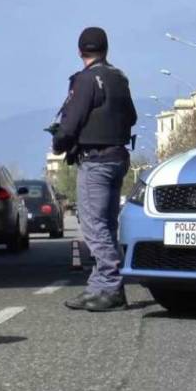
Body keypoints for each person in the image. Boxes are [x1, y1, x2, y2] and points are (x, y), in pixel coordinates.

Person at [51, 27, 137, 312]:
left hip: (95, 160)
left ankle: (110, 287)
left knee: (94, 226)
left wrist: (59, 142)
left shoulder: (85, 80)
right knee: (108, 226)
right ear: (106, 50)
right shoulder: (119, 78)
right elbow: (133, 116)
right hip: (119, 157)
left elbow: (71, 120)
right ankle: (97, 287)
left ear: (80, 52)